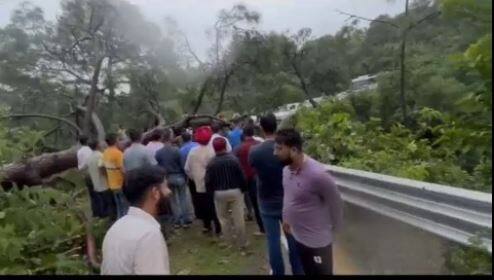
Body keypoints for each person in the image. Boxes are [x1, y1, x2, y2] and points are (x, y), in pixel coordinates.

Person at [274, 129, 343, 275]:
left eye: (279, 149)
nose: (275, 153)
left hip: (317, 243)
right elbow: (290, 196)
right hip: (298, 237)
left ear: (293, 150)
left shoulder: (318, 175)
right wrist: (286, 219)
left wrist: (332, 231)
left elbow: (336, 203)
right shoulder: (286, 171)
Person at [249, 114, 304, 275]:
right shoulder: (286, 148)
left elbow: (253, 169)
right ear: (276, 126)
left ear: (261, 128)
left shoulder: (255, 151)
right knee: (292, 238)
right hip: (288, 199)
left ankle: (278, 272)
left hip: (266, 200)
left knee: (272, 240)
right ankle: (298, 271)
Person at [101, 165, 172, 275]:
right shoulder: (148, 235)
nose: (169, 192)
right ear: (155, 193)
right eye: (166, 187)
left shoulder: (116, 227)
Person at [205, 137, 248, 249]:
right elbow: (241, 176)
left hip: (219, 192)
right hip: (235, 191)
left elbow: (208, 181)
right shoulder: (234, 159)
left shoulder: (211, 163)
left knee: (223, 219)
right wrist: (243, 189)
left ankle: (229, 242)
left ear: (214, 148)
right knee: (238, 217)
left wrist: (211, 193)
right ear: (225, 146)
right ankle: (241, 243)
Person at [184, 126, 221, 235]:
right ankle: (218, 226)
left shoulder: (192, 152)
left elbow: (187, 169)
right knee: (215, 204)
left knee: (203, 204)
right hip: (214, 183)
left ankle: (207, 226)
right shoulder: (214, 150)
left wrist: (194, 178)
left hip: (199, 183)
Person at [155, 129, 192, 229]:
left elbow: (159, 167)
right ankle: (185, 220)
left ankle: (177, 221)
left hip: (167, 178)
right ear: (170, 138)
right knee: (183, 198)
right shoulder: (177, 150)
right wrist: (185, 176)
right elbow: (182, 165)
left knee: (173, 200)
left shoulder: (158, 153)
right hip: (179, 176)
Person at [235, 124, 264, 235]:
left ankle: (262, 228)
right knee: (262, 201)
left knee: (255, 203)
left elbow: (236, 164)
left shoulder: (239, 149)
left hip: (247, 178)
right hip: (261, 176)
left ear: (244, 134)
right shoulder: (260, 144)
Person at [103, 133, 128, 219]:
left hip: (111, 183)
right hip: (120, 182)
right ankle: (125, 221)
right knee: (124, 204)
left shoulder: (105, 153)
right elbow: (122, 169)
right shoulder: (118, 153)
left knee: (118, 205)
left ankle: (119, 219)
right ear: (115, 141)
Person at [86, 139, 114, 218]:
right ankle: (109, 218)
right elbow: (102, 168)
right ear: (98, 145)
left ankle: (102, 219)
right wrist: (109, 176)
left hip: (96, 184)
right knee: (108, 204)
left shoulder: (89, 158)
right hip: (104, 184)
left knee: (101, 204)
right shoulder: (100, 156)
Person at [179, 131, 199, 219]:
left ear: (182, 140)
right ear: (191, 137)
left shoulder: (181, 150)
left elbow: (183, 165)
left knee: (194, 195)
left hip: (191, 175)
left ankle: (198, 213)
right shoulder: (197, 145)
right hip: (202, 172)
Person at [77, 135, 98, 217]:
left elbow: (79, 165)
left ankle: (94, 212)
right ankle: (100, 211)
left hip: (85, 173)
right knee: (97, 192)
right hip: (93, 172)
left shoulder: (79, 152)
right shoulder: (90, 150)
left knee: (91, 193)